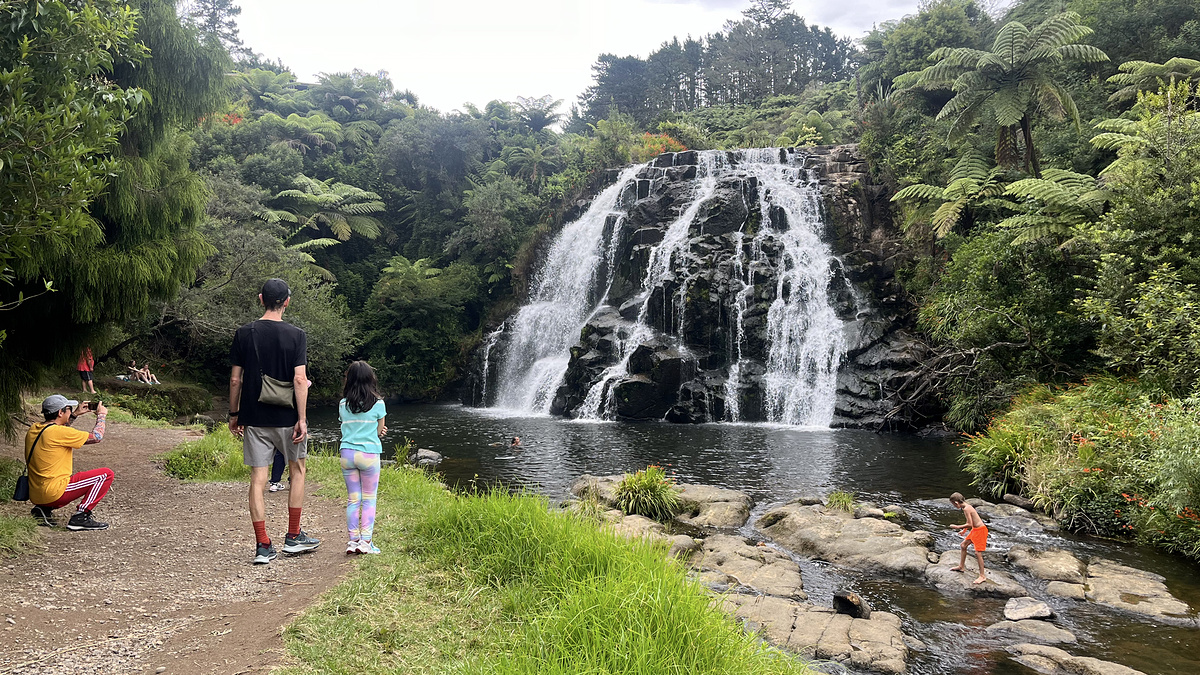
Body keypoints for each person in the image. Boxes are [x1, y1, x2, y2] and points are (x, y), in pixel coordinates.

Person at [229, 278, 319, 565]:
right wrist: (302, 419)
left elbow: (235, 379)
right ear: (287, 302)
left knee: (258, 479)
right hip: (288, 417)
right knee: (298, 470)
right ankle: (293, 536)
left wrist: (234, 414)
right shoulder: (297, 335)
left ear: (260, 299)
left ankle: (263, 546)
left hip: (254, 417)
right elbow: (300, 379)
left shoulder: (244, 333)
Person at [26, 395, 113, 530]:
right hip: (53, 493)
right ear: (60, 412)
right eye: (68, 409)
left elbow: (56, 429)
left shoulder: (34, 428)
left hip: (36, 494)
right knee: (105, 475)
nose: (70, 411)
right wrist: (101, 415)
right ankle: (81, 516)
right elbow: (97, 437)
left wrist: (75, 414)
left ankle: (43, 510)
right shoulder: (60, 432)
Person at [338, 361, 386, 555]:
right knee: (369, 499)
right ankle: (365, 542)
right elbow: (379, 430)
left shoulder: (343, 404)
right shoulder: (379, 403)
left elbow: (346, 425)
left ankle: (352, 541)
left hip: (347, 454)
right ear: (370, 378)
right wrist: (379, 431)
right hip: (369, 454)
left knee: (353, 499)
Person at [948, 492, 988, 584]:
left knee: (978, 553)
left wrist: (957, 527)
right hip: (975, 530)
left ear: (956, 503)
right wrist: (964, 530)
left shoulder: (966, 509)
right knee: (963, 545)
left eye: (953, 504)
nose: (954, 506)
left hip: (980, 531)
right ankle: (961, 567)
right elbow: (970, 522)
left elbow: (969, 524)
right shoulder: (966, 506)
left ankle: (982, 576)